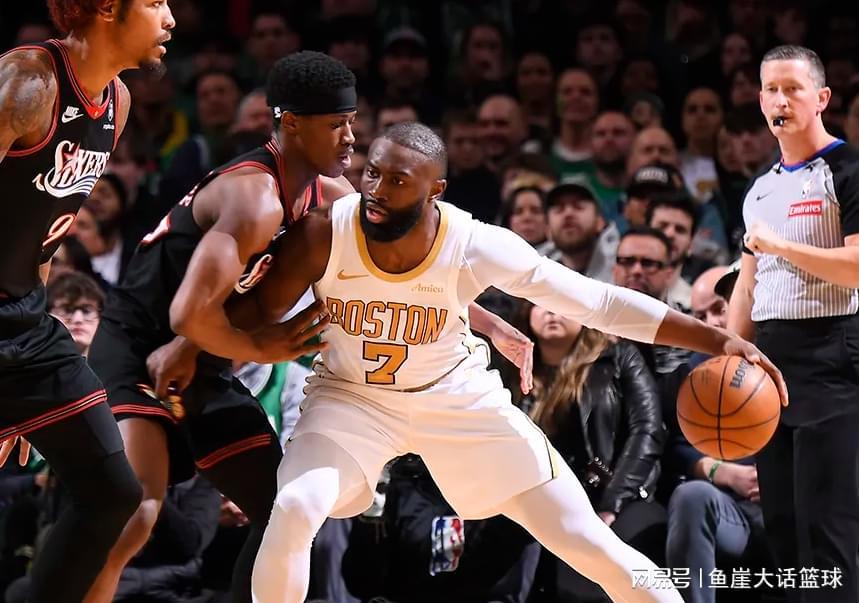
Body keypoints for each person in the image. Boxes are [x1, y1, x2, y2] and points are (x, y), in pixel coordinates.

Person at [183, 122, 786, 603]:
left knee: (589, 544)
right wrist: (183, 344)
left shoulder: (474, 243)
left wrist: (718, 341)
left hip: (456, 401)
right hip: (351, 399)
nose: (377, 190)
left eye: (398, 180)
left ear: (435, 191)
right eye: (371, 173)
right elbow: (248, 314)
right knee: (293, 508)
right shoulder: (326, 232)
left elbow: (598, 302)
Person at [88, 52, 526, 603]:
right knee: (136, 512)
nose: (351, 138)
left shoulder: (332, 196)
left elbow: (408, 270)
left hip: (203, 360)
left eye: (352, 122)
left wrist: (483, 320)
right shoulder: (253, 197)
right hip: (136, 351)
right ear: (291, 123)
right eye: (336, 124)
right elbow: (185, 315)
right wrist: (258, 346)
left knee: (285, 515)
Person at [0, 1, 175, 601]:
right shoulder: (26, 84)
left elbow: (44, 232)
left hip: (26, 316)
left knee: (114, 493)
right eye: (154, 2)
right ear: (106, 7)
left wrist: (21, 384)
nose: (170, 18)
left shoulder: (116, 103)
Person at [728, 45, 859, 603]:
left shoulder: (848, 170)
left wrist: (781, 245)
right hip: (769, 363)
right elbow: (747, 284)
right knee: (781, 529)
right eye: (771, 90)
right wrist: (728, 356)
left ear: (821, 98)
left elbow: (857, 266)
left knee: (827, 532)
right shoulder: (759, 190)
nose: (780, 101)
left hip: (833, 354)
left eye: (793, 89)